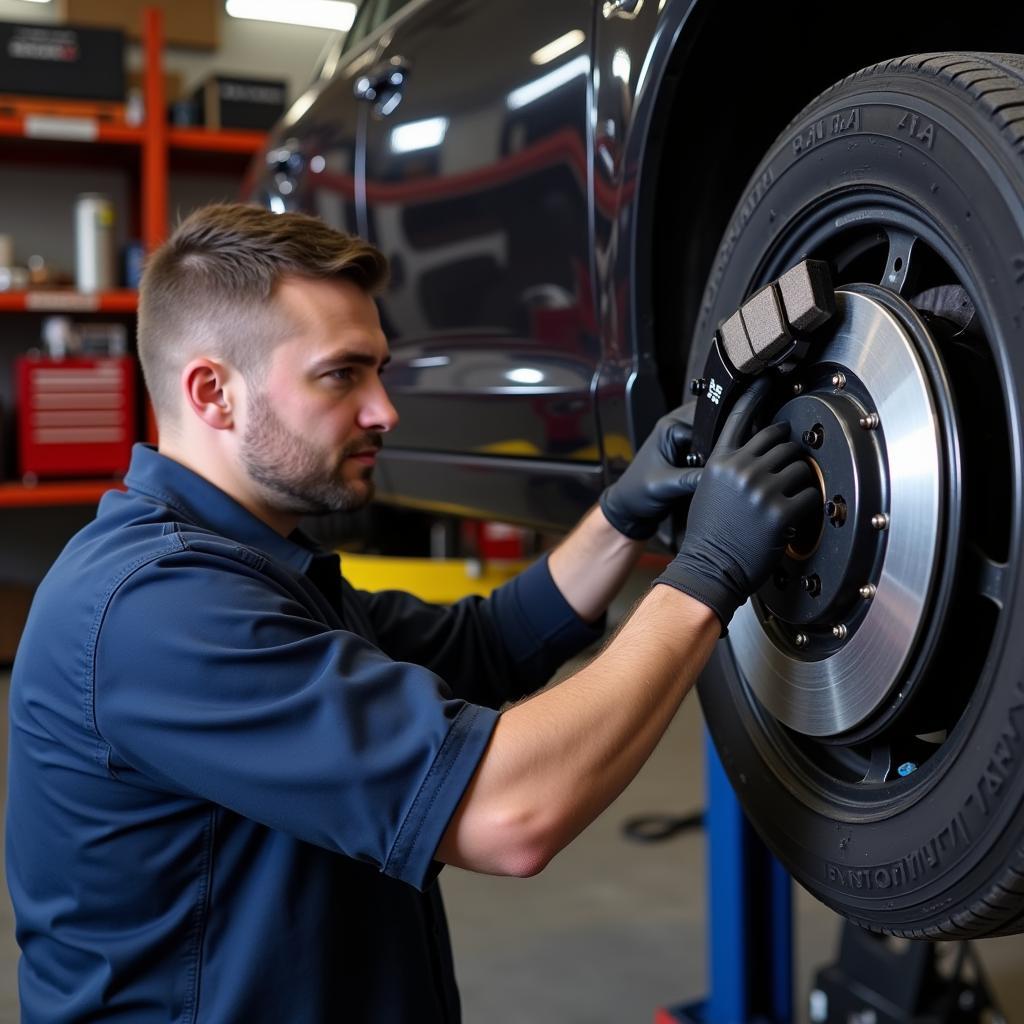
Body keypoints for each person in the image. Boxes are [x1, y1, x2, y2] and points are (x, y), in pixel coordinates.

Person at [6, 204, 819, 1023]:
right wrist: (705, 572)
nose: (384, 411)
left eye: (380, 370)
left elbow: (485, 642)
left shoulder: (249, 566)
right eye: (341, 374)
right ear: (213, 392)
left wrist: (620, 517)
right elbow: (511, 812)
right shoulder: (158, 611)